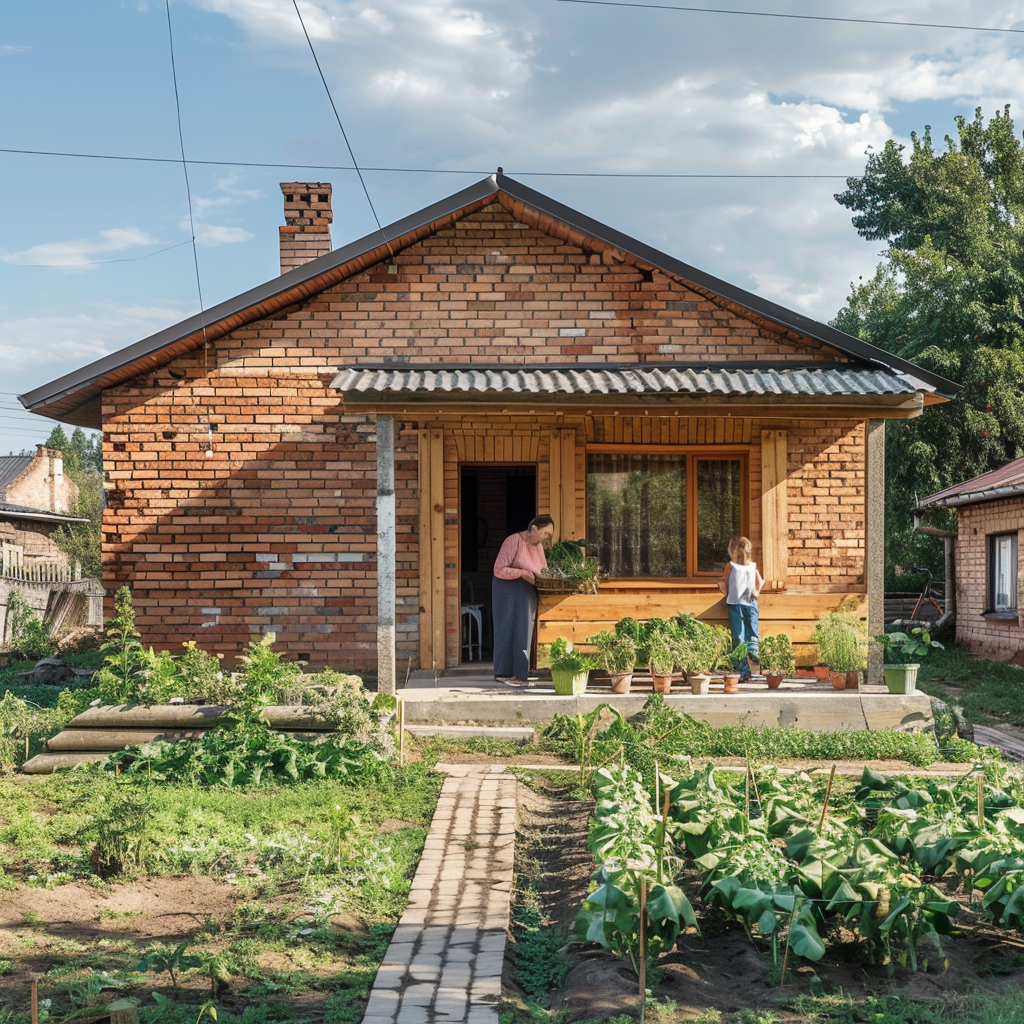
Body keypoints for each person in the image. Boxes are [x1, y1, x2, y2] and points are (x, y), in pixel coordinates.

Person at [492, 515, 555, 682]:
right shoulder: (513, 541)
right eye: (545, 533)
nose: (545, 538)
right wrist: (523, 573)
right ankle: (503, 672)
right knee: (506, 628)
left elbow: (543, 570)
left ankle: (520, 673)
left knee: (525, 629)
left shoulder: (538, 547)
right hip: (507, 589)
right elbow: (498, 569)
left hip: (527, 590)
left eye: (548, 536)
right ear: (533, 528)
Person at [717, 535, 763, 680]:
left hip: (735, 604)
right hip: (751, 603)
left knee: (739, 635)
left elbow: (723, 582)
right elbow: (760, 582)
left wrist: (724, 591)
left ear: (733, 550)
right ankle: (754, 661)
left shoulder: (730, 566)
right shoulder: (753, 566)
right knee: (753, 633)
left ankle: (743, 670)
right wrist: (755, 593)